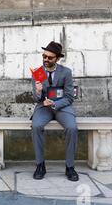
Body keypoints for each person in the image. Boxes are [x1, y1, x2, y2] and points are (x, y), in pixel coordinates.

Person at [31, 41, 79, 182]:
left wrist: (55, 103)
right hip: (43, 107)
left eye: (50, 57)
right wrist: (39, 92)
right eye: (44, 56)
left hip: (62, 107)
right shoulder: (38, 72)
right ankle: (40, 165)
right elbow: (36, 98)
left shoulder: (66, 72)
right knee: (36, 126)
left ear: (57, 58)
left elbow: (70, 97)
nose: (46, 59)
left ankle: (70, 166)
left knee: (72, 127)